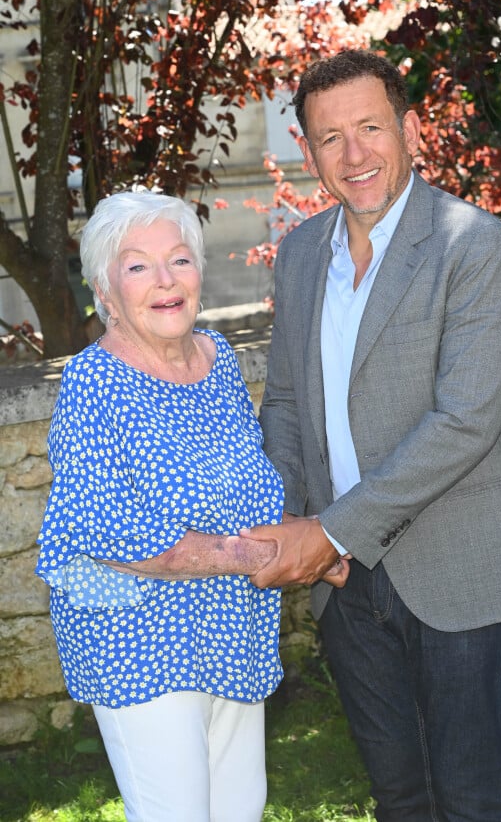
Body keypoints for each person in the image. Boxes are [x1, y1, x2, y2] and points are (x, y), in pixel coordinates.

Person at [246, 50, 501, 822]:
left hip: (459, 569)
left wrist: (329, 532)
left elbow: (464, 422)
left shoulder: (473, 245)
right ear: (307, 151)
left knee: (472, 796)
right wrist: (287, 525)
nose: (353, 156)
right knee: (400, 798)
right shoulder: (301, 257)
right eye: (329, 137)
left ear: (410, 129)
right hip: (346, 589)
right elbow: (284, 402)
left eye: (370, 127)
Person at [36, 190, 293, 822]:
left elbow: (246, 485)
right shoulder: (92, 382)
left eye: (178, 259)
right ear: (106, 289)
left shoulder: (220, 361)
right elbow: (112, 533)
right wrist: (264, 556)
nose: (164, 281)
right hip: (137, 640)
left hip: (231, 625)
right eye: (137, 266)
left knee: (241, 810)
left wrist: (305, 546)